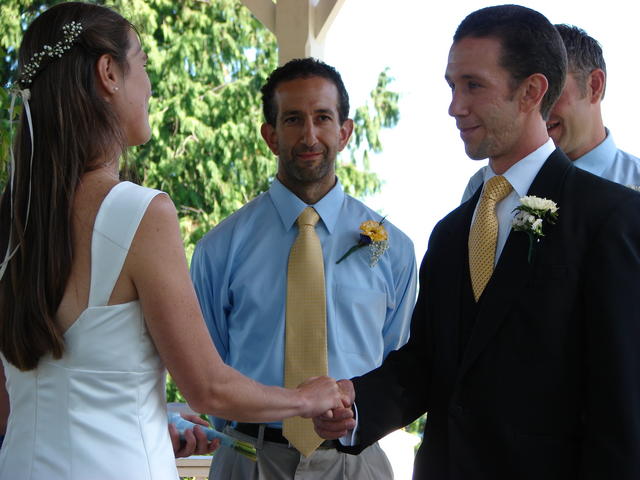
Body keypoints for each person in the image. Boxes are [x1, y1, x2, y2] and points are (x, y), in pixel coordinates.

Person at [0, 3, 347, 479]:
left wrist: (149, 413)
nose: (150, 86)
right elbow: (209, 388)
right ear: (109, 73)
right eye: (142, 64)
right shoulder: (138, 211)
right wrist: (307, 397)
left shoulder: (12, 219)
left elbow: (17, 398)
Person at [314, 5, 640, 479]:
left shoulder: (612, 218)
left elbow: (622, 407)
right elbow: (426, 364)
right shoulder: (450, 234)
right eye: (452, 86)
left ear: (531, 92)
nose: (454, 106)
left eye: (473, 85)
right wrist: (354, 404)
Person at [190, 57, 417, 479]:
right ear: (270, 136)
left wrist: (358, 410)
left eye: (323, 118)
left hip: (357, 462)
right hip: (249, 461)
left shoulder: (395, 251)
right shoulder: (220, 249)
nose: (309, 135)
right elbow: (210, 367)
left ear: (344, 132)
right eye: (293, 119)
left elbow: (395, 361)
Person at [461, 23, 640, 201]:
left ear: (594, 85)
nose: (536, 105)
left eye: (550, 90)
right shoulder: (487, 188)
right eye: (528, 91)